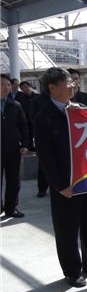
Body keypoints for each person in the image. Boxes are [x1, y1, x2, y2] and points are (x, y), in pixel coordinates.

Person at [34, 68, 87, 288]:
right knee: (67, 228)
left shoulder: (79, 110)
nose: (73, 84)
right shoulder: (44, 116)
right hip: (65, 184)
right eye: (67, 81)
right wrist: (59, 185)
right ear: (52, 87)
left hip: (86, 178)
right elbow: (46, 156)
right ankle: (72, 270)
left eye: (72, 81)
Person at [1, 74, 29, 218]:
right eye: (2, 85)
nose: (6, 87)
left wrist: (25, 144)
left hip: (13, 149)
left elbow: (24, 127)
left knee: (13, 181)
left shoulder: (15, 105)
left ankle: (11, 208)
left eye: (7, 85)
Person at [16, 81, 38, 150]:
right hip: (26, 121)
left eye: (26, 87)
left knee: (39, 136)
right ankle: (30, 148)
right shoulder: (20, 99)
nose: (25, 89)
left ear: (30, 86)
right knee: (29, 136)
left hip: (37, 121)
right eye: (22, 88)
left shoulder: (38, 97)